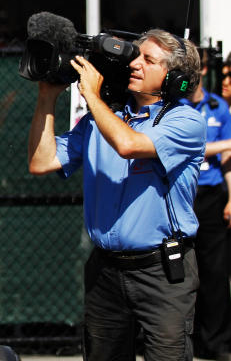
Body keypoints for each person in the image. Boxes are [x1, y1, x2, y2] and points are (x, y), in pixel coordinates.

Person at [27, 29, 206, 360]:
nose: (135, 64)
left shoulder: (186, 121)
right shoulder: (105, 118)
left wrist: (92, 97)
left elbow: (129, 145)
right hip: (105, 269)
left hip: (161, 271)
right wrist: (47, 96)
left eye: (148, 60)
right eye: (135, 56)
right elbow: (41, 162)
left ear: (175, 77)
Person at [183, 52, 231, 359]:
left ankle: (217, 344)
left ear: (202, 69)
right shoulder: (175, 108)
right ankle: (189, 341)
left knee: (215, 273)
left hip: (212, 197)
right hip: (184, 197)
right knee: (185, 272)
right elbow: (188, 150)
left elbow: (226, 162)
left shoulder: (218, 107)